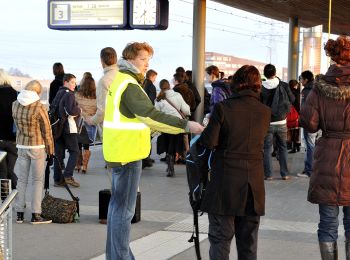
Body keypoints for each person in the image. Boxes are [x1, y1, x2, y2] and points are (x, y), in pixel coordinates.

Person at [103, 42, 203, 260]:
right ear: (129, 59)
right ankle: (120, 258)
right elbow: (150, 116)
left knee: (116, 209)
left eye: (148, 60)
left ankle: (116, 255)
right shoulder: (129, 84)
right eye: (142, 59)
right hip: (128, 155)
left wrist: (151, 132)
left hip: (118, 151)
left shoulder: (120, 80)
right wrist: (186, 126)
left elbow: (135, 120)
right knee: (124, 212)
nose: (146, 64)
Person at [199, 65, 271, 260]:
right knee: (248, 242)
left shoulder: (224, 108)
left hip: (225, 183)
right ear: (257, 85)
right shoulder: (265, 111)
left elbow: (209, 142)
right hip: (253, 186)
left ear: (236, 84)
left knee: (221, 239)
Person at [300, 35, 350, 259]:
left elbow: (310, 125)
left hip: (327, 158)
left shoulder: (319, 87)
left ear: (332, 56)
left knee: (328, 223)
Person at [12, 80, 54, 224]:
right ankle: (36, 214)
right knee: (37, 180)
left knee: (22, 180)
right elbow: (47, 131)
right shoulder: (39, 107)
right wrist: (51, 150)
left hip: (21, 146)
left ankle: (19, 213)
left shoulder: (15, 104)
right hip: (37, 147)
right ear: (37, 92)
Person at [261, 64, 294, 180]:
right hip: (281, 122)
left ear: (264, 74)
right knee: (283, 147)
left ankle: (268, 175)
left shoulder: (261, 87)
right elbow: (292, 99)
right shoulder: (284, 85)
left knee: (267, 148)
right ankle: (284, 174)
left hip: (267, 123)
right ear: (275, 73)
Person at [155, 79, 190, 177]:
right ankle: (171, 166)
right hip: (177, 124)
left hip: (166, 124)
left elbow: (156, 113)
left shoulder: (159, 98)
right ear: (169, 86)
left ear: (161, 87)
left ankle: (170, 167)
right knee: (174, 145)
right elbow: (186, 110)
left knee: (167, 145)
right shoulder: (177, 95)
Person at [52, 73, 81, 187]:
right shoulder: (69, 94)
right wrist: (79, 110)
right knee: (75, 152)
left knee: (59, 154)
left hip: (58, 128)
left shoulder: (59, 93)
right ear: (66, 82)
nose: (74, 85)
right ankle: (68, 176)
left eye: (75, 82)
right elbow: (71, 111)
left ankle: (57, 180)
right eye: (72, 82)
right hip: (68, 128)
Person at [85, 47, 118, 138]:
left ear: (101, 61)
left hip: (111, 131)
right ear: (116, 58)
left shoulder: (105, 80)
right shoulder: (124, 76)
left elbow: (102, 111)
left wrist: (91, 121)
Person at [75, 75, 97, 173]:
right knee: (87, 145)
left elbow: (75, 107)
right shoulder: (96, 96)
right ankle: (85, 166)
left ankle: (78, 165)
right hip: (91, 122)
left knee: (78, 143)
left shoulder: (77, 95)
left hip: (79, 122)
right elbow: (98, 110)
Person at [0, 69, 18, 189]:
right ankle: (15, 197)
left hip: (0, 139)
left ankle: (5, 203)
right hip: (13, 139)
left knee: (2, 172)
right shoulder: (16, 94)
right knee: (10, 170)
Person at [297, 70, 317, 178]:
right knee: (311, 145)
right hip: (314, 122)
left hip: (309, 122)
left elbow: (305, 108)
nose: (300, 80)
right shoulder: (315, 89)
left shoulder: (308, 91)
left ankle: (309, 170)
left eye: (301, 78)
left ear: (306, 79)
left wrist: (303, 120)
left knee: (310, 146)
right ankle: (309, 169)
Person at [142, 69, 158, 168]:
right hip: (147, 114)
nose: (155, 79)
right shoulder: (151, 86)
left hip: (140, 113)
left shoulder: (142, 83)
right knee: (148, 136)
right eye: (155, 77)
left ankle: (144, 157)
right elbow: (151, 101)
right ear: (152, 76)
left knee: (143, 136)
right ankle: (146, 158)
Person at [287, 79, 301, 153]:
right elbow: (299, 104)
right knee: (296, 131)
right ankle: (297, 145)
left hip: (290, 114)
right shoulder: (298, 93)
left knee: (290, 131)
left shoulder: (289, 93)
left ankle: (292, 146)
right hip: (297, 115)